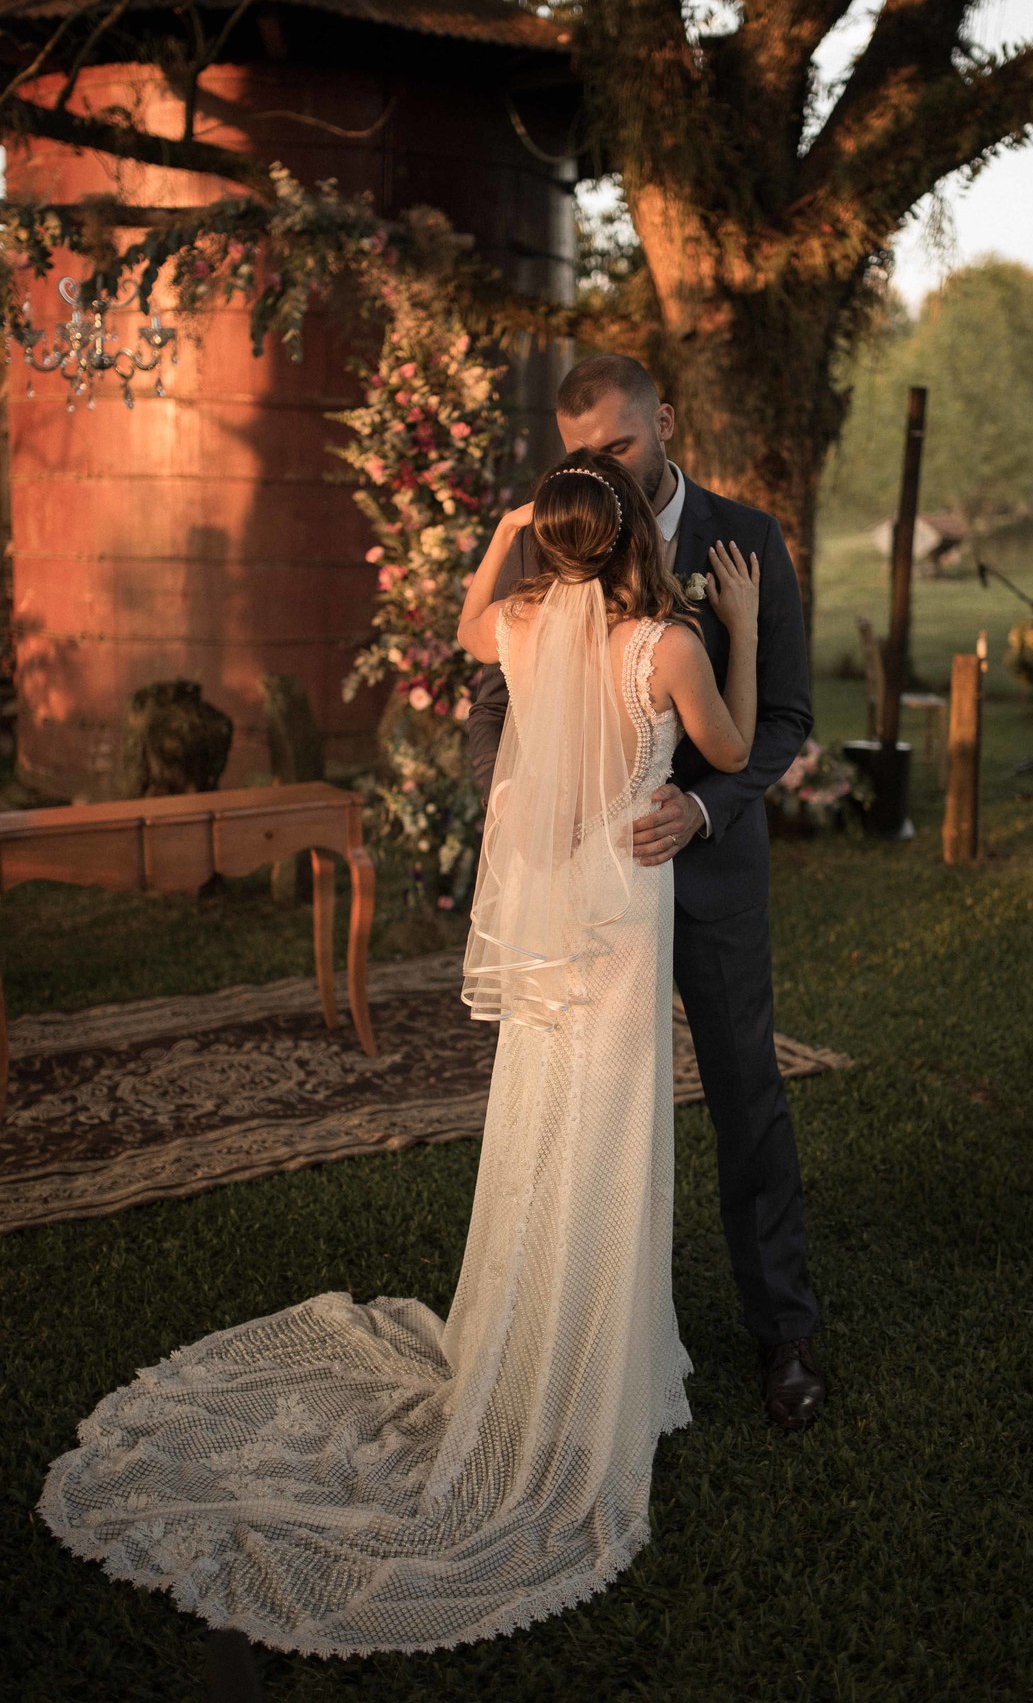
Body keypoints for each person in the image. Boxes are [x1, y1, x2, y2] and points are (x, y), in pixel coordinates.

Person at [35, 452, 761, 1657]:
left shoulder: (521, 623)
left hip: (556, 904)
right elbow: (727, 755)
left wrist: (508, 526)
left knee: (545, 1116)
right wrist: (744, 625)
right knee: (614, 1117)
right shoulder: (668, 644)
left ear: (551, 540)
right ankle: (596, 1372)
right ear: (636, 528)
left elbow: (466, 622)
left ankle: (556, 1346)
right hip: (625, 905)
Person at [469, 353, 826, 1432]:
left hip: (707, 874)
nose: (604, 469)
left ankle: (783, 1332)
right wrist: (527, 808)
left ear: (664, 421)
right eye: (582, 454)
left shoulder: (746, 540)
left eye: (620, 445)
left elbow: (783, 720)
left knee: (745, 1092)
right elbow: (497, 703)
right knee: (585, 1108)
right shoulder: (560, 535)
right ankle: (580, 1332)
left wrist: (704, 811)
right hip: (590, 891)